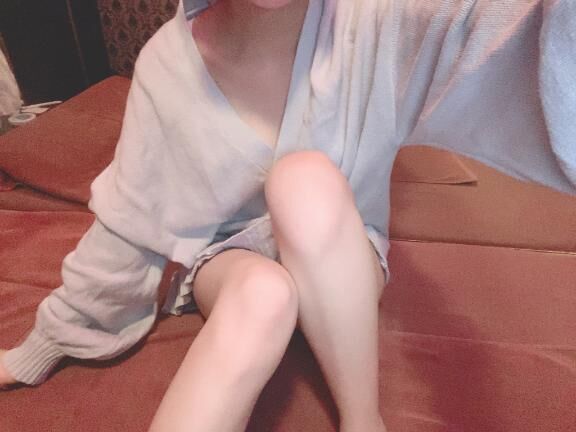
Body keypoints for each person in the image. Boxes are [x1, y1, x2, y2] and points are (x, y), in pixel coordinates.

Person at [1, 0, 574, 431]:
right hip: (228, 262)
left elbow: (508, 38)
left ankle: (363, 421)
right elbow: (129, 225)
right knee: (262, 295)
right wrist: (41, 346)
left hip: (340, 253)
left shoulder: (376, 22)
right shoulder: (169, 66)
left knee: (303, 182)